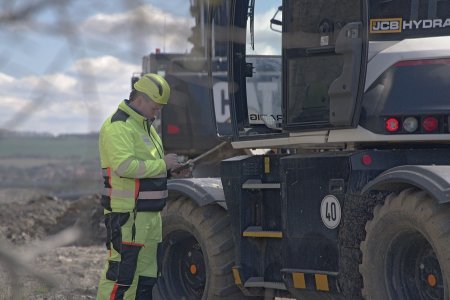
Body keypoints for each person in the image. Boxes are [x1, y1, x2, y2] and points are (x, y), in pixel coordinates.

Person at [96, 73, 181, 300]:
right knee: (122, 279)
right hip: (127, 217)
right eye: (156, 106)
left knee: (146, 280)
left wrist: (169, 169)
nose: (159, 110)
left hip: (149, 217)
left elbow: (148, 167)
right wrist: (162, 164)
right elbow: (124, 166)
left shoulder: (146, 127)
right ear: (141, 98)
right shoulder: (119, 126)